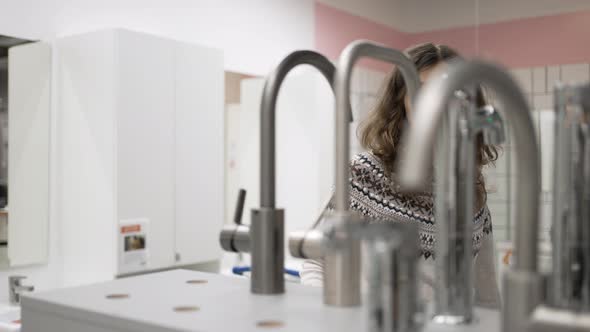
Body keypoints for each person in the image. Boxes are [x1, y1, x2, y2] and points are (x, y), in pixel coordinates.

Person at [300, 42, 501, 309]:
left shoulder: (471, 189)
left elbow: (486, 294)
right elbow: (316, 261)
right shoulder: (364, 174)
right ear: (402, 101)